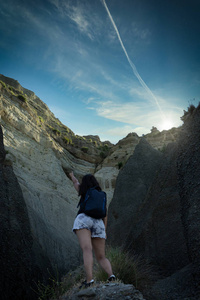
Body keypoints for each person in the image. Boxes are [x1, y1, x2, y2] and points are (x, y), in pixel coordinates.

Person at [69, 171, 115, 288]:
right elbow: (105, 214)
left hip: (84, 219)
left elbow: (75, 182)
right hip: (99, 223)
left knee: (87, 249)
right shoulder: (101, 194)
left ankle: (89, 280)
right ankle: (111, 276)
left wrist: (72, 176)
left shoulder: (84, 191)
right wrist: (103, 230)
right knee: (101, 256)